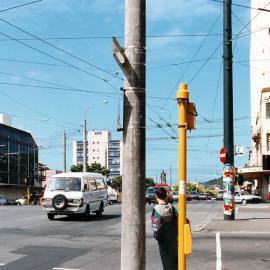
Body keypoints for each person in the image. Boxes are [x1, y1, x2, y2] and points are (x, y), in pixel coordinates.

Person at [151, 187, 178, 270]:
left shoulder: (156, 209)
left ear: (156, 196)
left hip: (163, 241)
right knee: (175, 262)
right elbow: (178, 220)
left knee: (166, 262)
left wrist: (157, 237)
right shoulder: (171, 208)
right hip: (174, 238)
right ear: (166, 195)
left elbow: (156, 228)